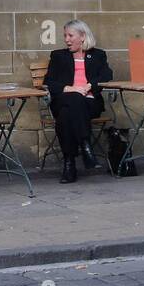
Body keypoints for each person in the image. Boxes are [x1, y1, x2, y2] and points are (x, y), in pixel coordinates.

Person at [44, 19, 113, 183]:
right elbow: (49, 81)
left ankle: (70, 165)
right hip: (64, 98)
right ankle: (85, 144)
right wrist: (72, 89)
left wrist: (89, 85)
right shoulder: (58, 56)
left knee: (65, 116)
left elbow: (107, 75)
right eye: (65, 36)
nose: (67, 40)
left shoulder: (97, 55)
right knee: (73, 99)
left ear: (82, 36)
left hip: (89, 103)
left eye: (70, 35)